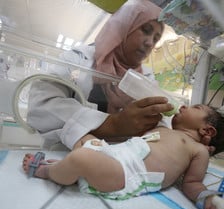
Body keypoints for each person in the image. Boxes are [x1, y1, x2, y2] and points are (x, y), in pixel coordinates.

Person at [22, 104, 224, 209]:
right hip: (114, 154)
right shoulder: (167, 129)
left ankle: (49, 171)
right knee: (86, 140)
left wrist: (208, 199)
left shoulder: (198, 150)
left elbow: (193, 183)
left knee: (80, 158)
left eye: (195, 107)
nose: (183, 107)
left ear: (208, 131)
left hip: (128, 173)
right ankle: (73, 170)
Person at [27, 0, 174, 150]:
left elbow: (161, 122)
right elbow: (41, 107)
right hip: (66, 156)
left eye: (156, 39)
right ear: (124, 26)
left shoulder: (147, 77)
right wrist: (113, 124)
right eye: (146, 30)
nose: (150, 43)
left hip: (122, 161)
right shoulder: (77, 59)